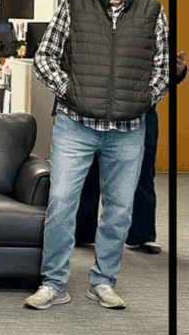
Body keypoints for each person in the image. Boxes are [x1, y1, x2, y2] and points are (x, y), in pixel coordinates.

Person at [25, 0, 169, 312]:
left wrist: (141, 99)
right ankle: (54, 282)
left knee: (119, 210)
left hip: (127, 129)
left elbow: (162, 66)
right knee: (61, 204)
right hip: (76, 125)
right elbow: (45, 58)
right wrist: (69, 90)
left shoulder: (153, 11)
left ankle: (103, 281)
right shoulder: (74, 4)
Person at [75, 49, 185, 254]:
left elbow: (161, 74)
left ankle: (143, 235)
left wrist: (176, 72)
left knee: (142, 174)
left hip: (140, 112)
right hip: (99, 108)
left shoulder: (152, 28)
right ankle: (82, 231)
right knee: (91, 172)